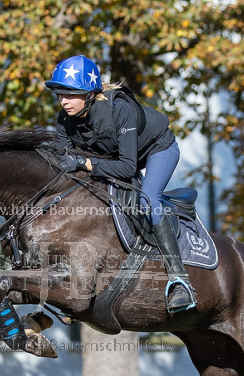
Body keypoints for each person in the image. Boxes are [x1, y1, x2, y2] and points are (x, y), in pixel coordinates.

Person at [45, 54, 196, 314]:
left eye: (70, 94)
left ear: (90, 94)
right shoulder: (65, 120)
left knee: (147, 199)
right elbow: (62, 160)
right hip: (117, 156)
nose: (63, 101)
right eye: (60, 94)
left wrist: (85, 164)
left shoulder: (120, 110)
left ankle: (179, 281)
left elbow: (127, 167)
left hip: (157, 149)